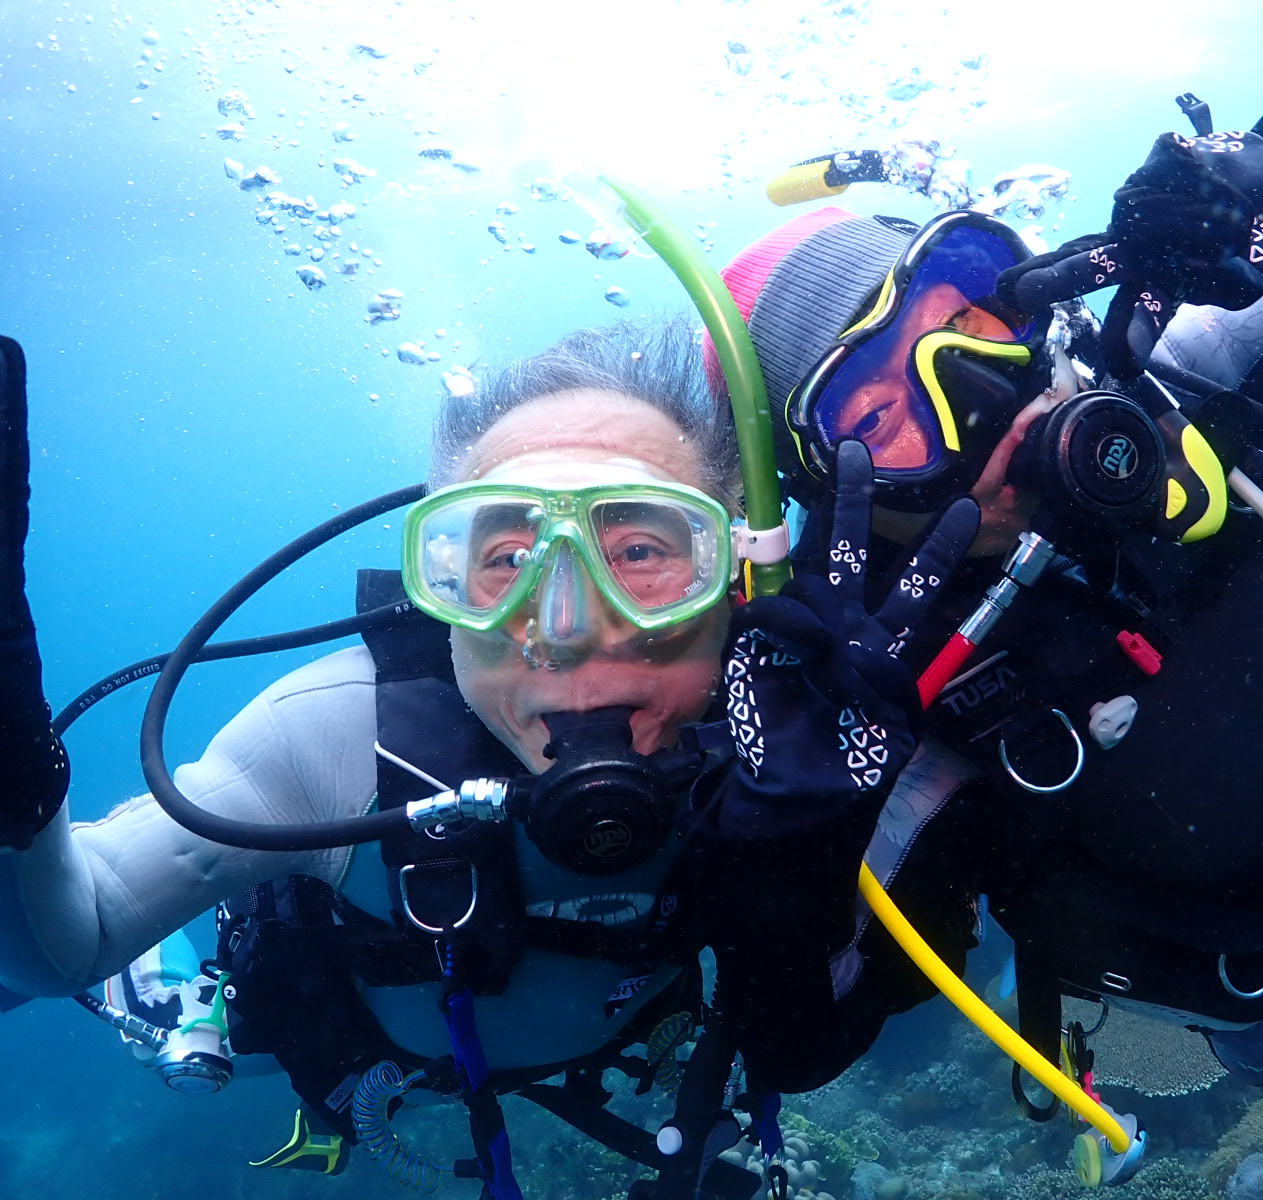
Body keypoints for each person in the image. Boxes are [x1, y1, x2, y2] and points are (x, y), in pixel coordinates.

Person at [700, 93, 1263, 1113]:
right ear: (815, 482)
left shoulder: (1155, 384)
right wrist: (787, 843)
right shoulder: (876, 682)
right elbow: (805, 1044)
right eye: (882, 413)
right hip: (1234, 958)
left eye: (969, 322)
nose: (979, 396)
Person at [0, 318, 976, 1200]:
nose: (569, 626)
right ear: (440, 592)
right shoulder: (325, 742)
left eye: (641, 550)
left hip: (615, 1040)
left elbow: (800, 1047)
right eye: (506, 559)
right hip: (360, 1042)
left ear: (732, 579)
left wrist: (805, 865)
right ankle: (184, 975)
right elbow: (68, 942)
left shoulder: (798, 747)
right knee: (213, 1041)